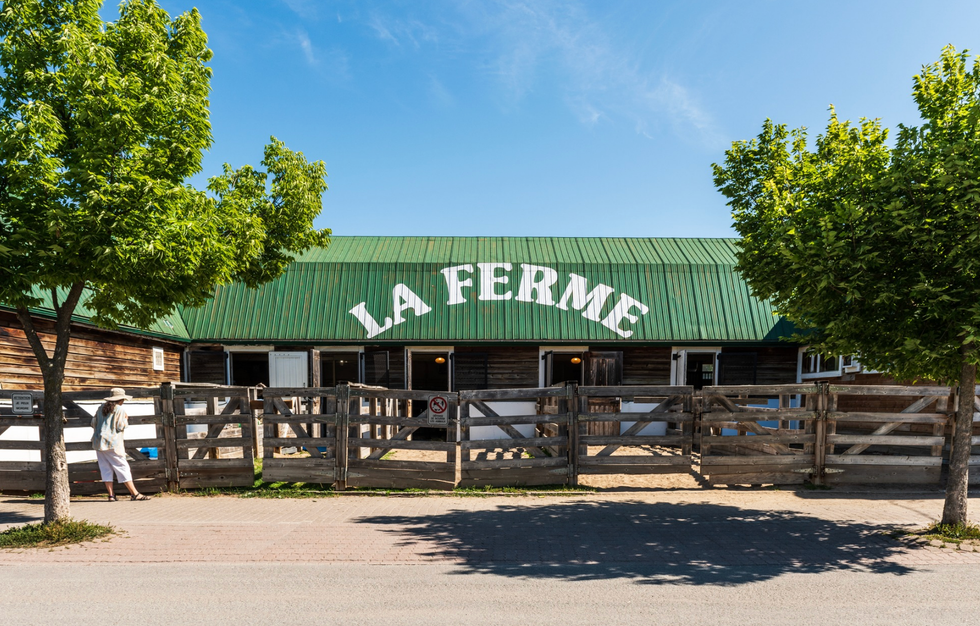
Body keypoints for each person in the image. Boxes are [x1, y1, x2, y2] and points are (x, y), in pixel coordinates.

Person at [91, 388, 150, 501]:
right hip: (112, 442)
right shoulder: (119, 409)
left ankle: (111, 495)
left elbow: (93, 423)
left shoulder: (100, 408)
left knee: (105, 468)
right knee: (123, 467)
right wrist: (126, 419)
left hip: (98, 442)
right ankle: (134, 493)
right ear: (120, 399)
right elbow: (120, 426)